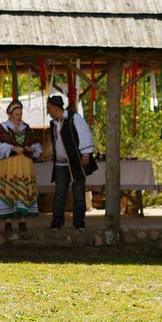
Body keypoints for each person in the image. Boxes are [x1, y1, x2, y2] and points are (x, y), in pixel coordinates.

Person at [47, 95, 96, 230]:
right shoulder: (54, 123)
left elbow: (85, 134)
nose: (48, 111)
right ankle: (57, 223)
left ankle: (79, 223)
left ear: (56, 108)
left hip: (76, 162)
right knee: (60, 194)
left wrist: (86, 154)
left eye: (49, 108)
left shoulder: (74, 118)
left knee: (79, 193)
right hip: (60, 164)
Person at [0, 100, 43, 232]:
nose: (19, 117)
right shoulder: (3, 128)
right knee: (10, 190)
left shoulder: (26, 128)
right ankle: (8, 221)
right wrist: (12, 148)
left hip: (24, 165)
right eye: (16, 114)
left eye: (20, 114)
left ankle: (22, 220)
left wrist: (31, 148)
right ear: (10, 114)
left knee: (23, 190)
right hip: (9, 165)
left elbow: (37, 144)